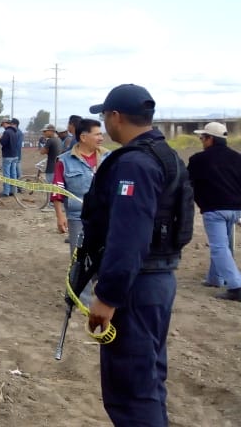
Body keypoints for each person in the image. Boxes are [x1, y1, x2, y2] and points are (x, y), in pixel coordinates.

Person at [83, 84, 191, 425]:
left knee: (131, 390)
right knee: (147, 379)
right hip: (155, 280)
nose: (104, 124)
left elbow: (128, 237)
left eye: (104, 116)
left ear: (115, 117)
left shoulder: (135, 164)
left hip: (136, 287)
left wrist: (107, 297)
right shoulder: (164, 154)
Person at [187, 121, 241, 301]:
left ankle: (236, 286)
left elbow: (187, 184)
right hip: (235, 209)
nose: (201, 141)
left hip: (214, 210)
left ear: (210, 139)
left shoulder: (197, 160)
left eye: (203, 137)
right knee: (225, 246)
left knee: (219, 247)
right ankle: (214, 278)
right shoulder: (237, 157)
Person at [51, 118, 110, 252]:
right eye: (97, 134)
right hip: (77, 217)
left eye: (101, 134)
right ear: (83, 137)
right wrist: (60, 216)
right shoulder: (64, 161)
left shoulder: (109, 157)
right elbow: (57, 189)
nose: (101, 138)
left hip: (105, 216)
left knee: (104, 255)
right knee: (78, 256)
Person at [0, 119, 22, 198]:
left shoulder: (6, 132)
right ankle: (13, 190)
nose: (2, 126)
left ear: (5, 123)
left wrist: (0, 139)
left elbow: (3, 142)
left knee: (6, 174)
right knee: (13, 174)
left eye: (2, 125)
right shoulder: (15, 132)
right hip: (15, 155)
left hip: (7, 155)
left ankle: (6, 192)